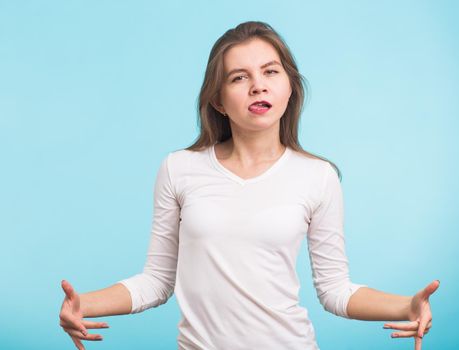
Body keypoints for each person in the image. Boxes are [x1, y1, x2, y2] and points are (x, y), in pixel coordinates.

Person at [59, 21, 439, 350]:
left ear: (290, 87)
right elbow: (157, 281)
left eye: (270, 72)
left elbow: (335, 290)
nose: (258, 86)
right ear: (219, 101)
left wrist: (407, 305)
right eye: (239, 77)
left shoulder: (317, 176)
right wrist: (82, 305)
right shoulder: (179, 168)